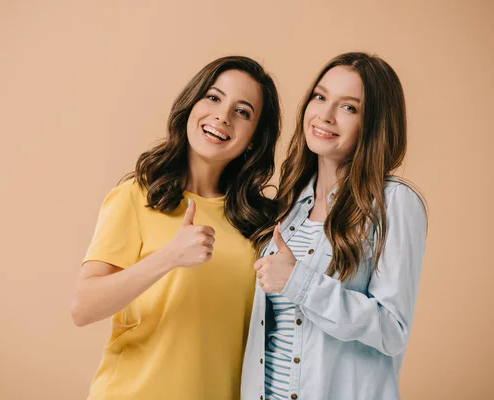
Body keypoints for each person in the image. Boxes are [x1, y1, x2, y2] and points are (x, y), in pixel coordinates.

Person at [72, 55, 281, 399]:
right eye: (213, 98)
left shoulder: (260, 222)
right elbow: (83, 307)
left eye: (242, 111)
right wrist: (169, 257)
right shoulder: (136, 197)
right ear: (191, 104)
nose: (222, 116)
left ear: (255, 138)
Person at [241, 52, 427, 400]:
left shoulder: (393, 204)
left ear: (374, 123)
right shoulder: (290, 204)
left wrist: (299, 282)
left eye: (348, 107)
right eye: (320, 96)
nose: (324, 115)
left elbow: (392, 331)